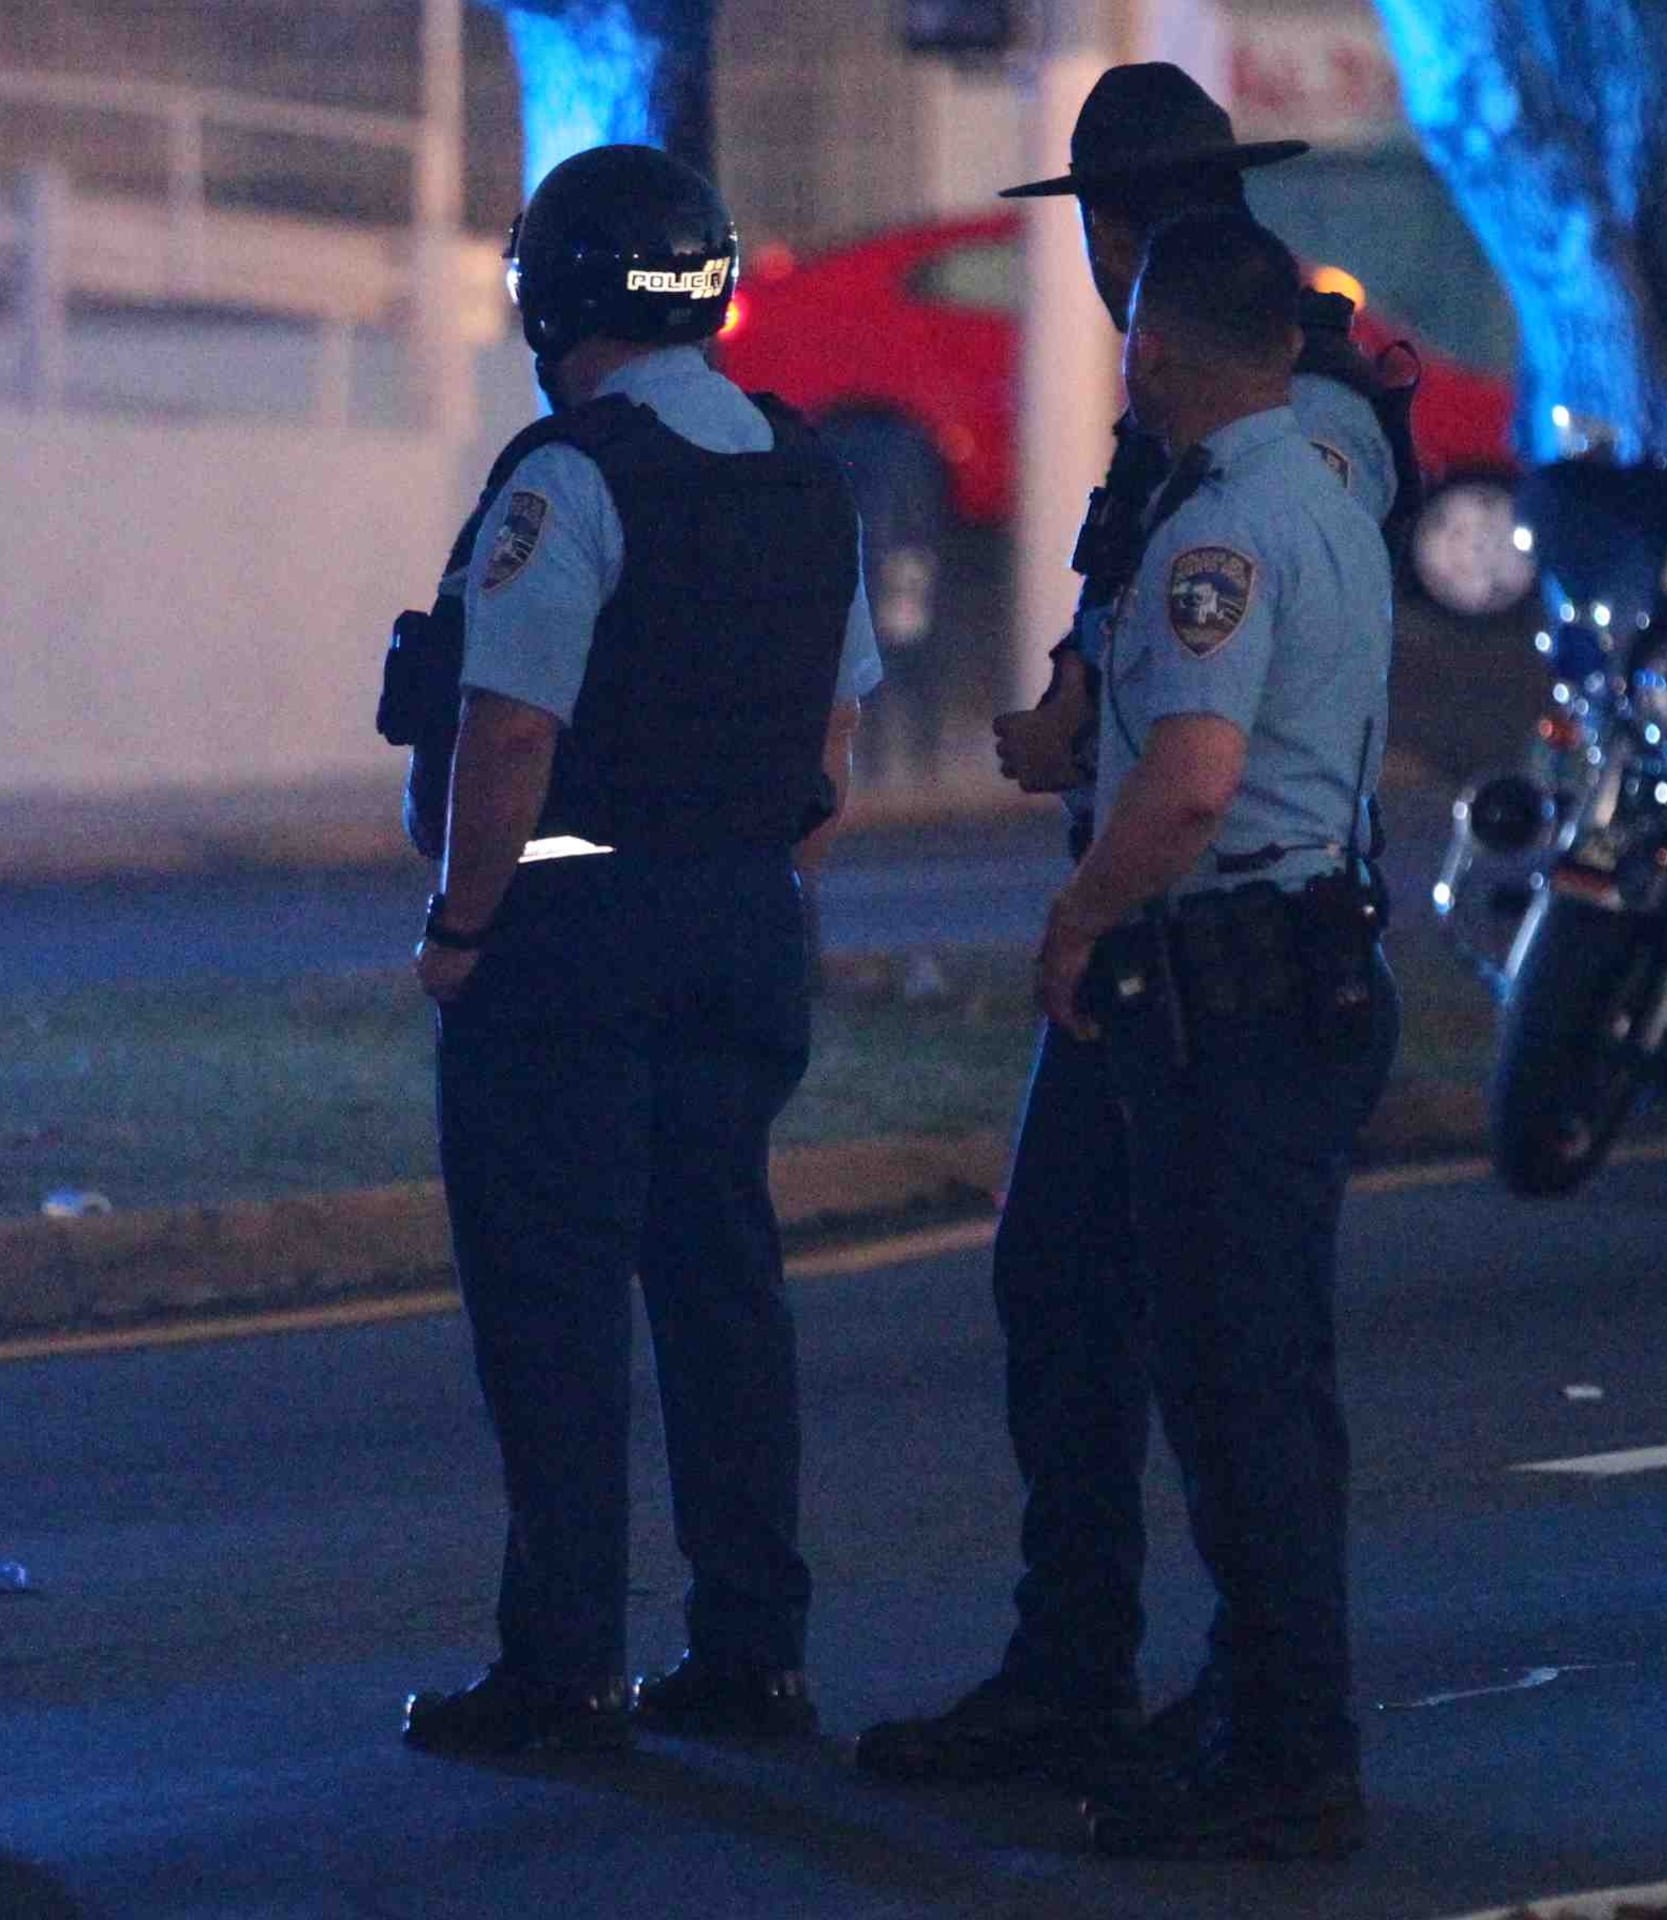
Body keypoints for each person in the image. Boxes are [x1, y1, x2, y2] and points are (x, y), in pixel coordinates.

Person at [853, 60, 1414, 1797]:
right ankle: (1085, 1666)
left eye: (1112, 234)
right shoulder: (1196, 414)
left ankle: (1262, 1721)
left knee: (1238, 1363)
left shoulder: (1281, 418)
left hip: (1222, 926)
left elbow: (1233, 662)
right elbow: (1142, 629)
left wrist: (1111, 823)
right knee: (1075, 1293)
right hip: (1157, 934)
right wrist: (1076, 721)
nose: (1106, 276)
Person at [393, 143, 880, 1756]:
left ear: (557, 290)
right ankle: (755, 1654)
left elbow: (509, 730)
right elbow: (832, 733)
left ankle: (566, 1670)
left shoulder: (573, 474)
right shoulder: (807, 470)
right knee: (724, 1295)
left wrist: (465, 929)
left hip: (574, 939)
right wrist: (770, 892)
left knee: (558, 1308)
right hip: (744, 923)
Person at [1039, 206, 1399, 1860]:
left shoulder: (1223, 533)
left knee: (1235, 1393)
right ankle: (1278, 1723)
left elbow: (1188, 786)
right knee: (1273, 1388)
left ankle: (1283, 1750)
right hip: (1303, 971)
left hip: (1234, 998)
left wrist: (1080, 916)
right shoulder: (1322, 498)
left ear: (1158, 351)